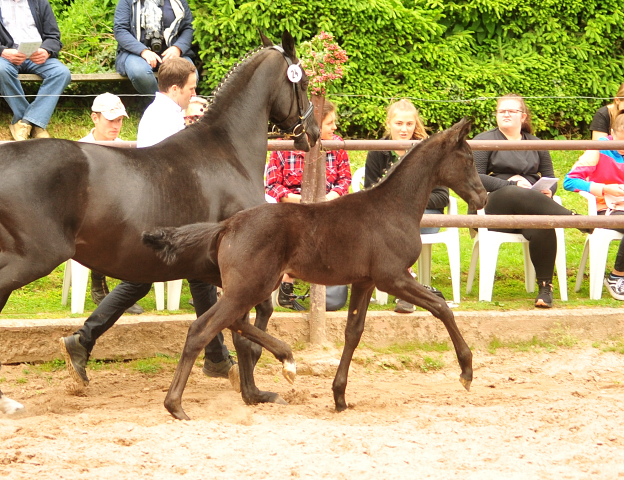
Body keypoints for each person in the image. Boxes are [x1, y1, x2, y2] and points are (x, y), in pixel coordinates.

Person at [60, 59, 234, 386]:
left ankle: (216, 357)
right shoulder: (161, 117)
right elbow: (172, 166)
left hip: (165, 210)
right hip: (160, 211)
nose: (194, 94)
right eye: (191, 88)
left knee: (191, 276)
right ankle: (83, 340)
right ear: (174, 89)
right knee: (170, 276)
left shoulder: (167, 115)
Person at [473, 93, 579, 308]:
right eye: (502, 111)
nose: (506, 114)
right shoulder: (483, 140)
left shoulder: (536, 143)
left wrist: (548, 190)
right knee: (515, 192)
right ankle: (572, 219)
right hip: (495, 204)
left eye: (512, 111)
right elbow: (475, 178)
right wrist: (511, 185)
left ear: (523, 116)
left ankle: (545, 288)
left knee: (543, 224)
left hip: (531, 205)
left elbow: (549, 177)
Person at [364, 99, 449, 313]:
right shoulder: (377, 151)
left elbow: (442, 197)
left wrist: (407, 201)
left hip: (423, 218)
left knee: (396, 230)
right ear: (389, 123)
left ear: (415, 124)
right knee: (390, 229)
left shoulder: (428, 152)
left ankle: (405, 289)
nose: (404, 129)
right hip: (385, 221)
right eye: (399, 123)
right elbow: (369, 192)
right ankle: (408, 287)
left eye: (409, 124)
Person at [265, 100, 352, 309]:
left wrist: (328, 198)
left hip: (328, 206)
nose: (335, 128)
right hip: (294, 206)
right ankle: (289, 285)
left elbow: (345, 181)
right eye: (330, 124)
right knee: (299, 224)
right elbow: (272, 186)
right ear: (315, 126)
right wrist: (302, 201)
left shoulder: (337, 145)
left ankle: (298, 285)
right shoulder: (284, 148)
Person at [78, 93, 143, 315]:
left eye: (120, 120)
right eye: (110, 120)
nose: (116, 126)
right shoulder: (79, 150)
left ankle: (126, 289)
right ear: (95, 118)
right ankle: (102, 286)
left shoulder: (125, 148)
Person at [564, 113, 624, 300]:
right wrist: (605, 188)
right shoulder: (598, 149)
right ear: (612, 133)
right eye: (621, 142)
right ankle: (616, 277)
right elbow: (570, 181)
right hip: (606, 208)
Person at [0, 0, 71, 141]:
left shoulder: (40, 3)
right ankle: (33, 122)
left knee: (61, 73)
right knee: (1, 69)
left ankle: (27, 122)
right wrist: (3, 51)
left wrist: (46, 50)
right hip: (7, 57)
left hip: (36, 56)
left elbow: (53, 36)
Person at [114, 0, 195, 95]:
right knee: (140, 73)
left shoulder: (178, 1)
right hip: (136, 53)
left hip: (170, 52)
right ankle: (163, 104)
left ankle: (174, 105)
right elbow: (120, 30)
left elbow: (189, 27)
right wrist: (143, 51)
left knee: (189, 73)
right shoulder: (127, 1)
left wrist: (178, 48)